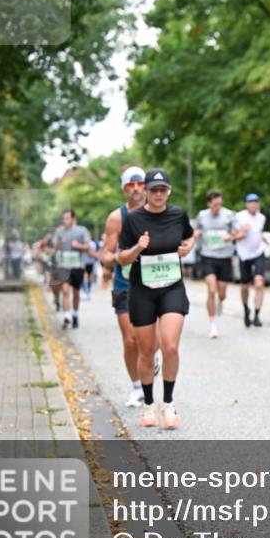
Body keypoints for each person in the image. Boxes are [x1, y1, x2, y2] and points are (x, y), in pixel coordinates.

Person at [118, 168, 195, 429]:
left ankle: (169, 403)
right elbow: (121, 257)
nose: (158, 194)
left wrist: (188, 247)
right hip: (143, 290)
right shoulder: (133, 219)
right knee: (147, 351)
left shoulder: (178, 215)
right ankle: (148, 405)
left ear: (169, 191)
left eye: (163, 190)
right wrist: (138, 247)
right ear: (147, 192)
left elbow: (189, 235)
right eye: (154, 190)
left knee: (170, 345)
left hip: (172, 286)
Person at [101, 166, 161, 408]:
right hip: (125, 284)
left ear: (145, 186)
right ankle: (137, 387)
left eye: (139, 183)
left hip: (155, 284)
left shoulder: (159, 212)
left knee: (152, 340)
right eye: (130, 185)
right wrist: (117, 259)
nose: (135, 189)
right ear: (124, 189)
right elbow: (106, 253)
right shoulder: (117, 218)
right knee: (131, 341)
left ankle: (150, 356)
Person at [194, 190, 239, 338]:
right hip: (208, 256)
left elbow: (239, 233)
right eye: (214, 205)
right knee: (211, 290)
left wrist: (231, 236)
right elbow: (195, 231)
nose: (217, 208)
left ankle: (221, 301)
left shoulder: (229, 215)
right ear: (208, 204)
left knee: (222, 293)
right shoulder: (202, 215)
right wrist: (196, 235)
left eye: (219, 204)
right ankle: (213, 325)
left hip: (225, 257)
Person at [50, 210, 92, 330]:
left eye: (67, 218)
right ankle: (67, 315)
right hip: (64, 265)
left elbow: (88, 245)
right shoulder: (59, 232)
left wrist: (78, 245)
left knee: (76, 293)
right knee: (65, 290)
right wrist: (59, 242)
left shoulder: (82, 230)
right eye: (64, 218)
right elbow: (54, 247)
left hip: (78, 265)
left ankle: (75, 314)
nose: (65, 221)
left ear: (73, 218)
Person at [234, 193, 270, 327]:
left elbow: (258, 232)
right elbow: (233, 236)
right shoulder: (239, 217)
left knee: (259, 283)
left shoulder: (262, 218)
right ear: (246, 204)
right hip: (244, 255)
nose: (253, 204)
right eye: (251, 202)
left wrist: (263, 238)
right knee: (245, 286)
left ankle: (257, 315)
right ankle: (245, 309)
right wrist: (241, 232)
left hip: (258, 252)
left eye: (256, 201)